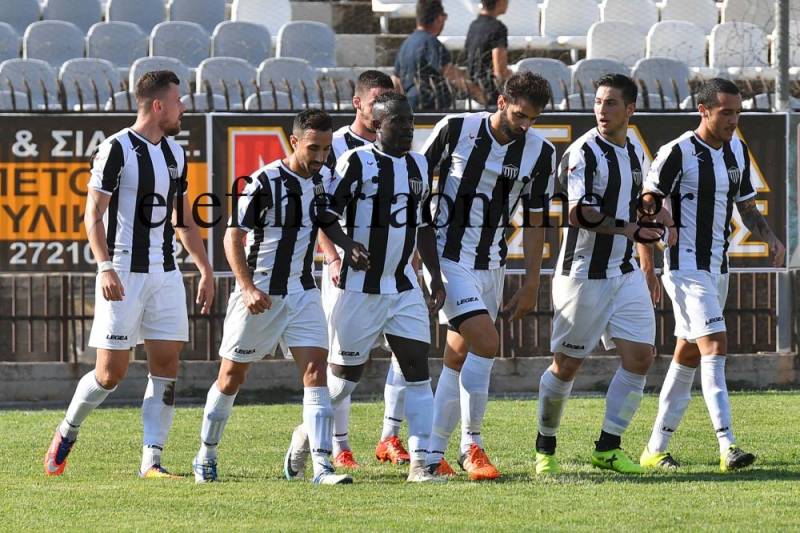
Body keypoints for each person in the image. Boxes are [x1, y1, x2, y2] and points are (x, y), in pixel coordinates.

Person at [44, 70, 215, 478]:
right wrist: (104, 267)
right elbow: (93, 214)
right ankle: (67, 431)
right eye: (177, 101)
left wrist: (205, 268)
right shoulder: (116, 149)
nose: (183, 108)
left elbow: (182, 218)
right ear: (158, 105)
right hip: (122, 270)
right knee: (110, 374)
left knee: (167, 366)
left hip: (165, 272)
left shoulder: (175, 154)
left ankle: (151, 460)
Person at [191, 109, 369, 485]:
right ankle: (206, 453)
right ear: (294, 142)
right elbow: (232, 237)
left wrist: (346, 243)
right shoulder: (264, 182)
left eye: (326, 149)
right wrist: (247, 287)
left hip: (302, 291)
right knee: (231, 377)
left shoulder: (325, 179)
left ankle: (322, 466)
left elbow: (325, 220)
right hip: (261, 292)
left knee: (316, 372)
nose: (320, 156)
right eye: (313, 148)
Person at [287, 92, 448, 482]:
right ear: (377, 125)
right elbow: (326, 213)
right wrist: (346, 246)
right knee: (341, 383)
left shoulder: (419, 164)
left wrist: (434, 275)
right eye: (399, 122)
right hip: (359, 289)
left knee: (418, 372)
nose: (408, 128)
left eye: (411, 121)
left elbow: (424, 226)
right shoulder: (356, 162)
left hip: (404, 287)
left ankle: (421, 464)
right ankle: (305, 435)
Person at [639, 78, 785, 472]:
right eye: (726, 113)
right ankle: (727, 444)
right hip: (684, 267)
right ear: (703, 111)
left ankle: (654, 449)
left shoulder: (737, 149)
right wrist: (648, 265)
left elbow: (747, 207)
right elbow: (646, 204)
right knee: (715, 346)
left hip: (718, 267)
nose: (733, 120)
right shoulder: (677, 152)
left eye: (737, 113)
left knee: (688, 354)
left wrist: (770, 238)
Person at [421, 71, 556, 480]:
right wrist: (414, 251)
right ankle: (471, 446)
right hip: (447, 257)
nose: (525, 125)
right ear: (501, 102)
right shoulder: (455, 129)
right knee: (486, 341)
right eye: (519, 115)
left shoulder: (541, 153)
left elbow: (535, 221)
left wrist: (532, 282)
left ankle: (431, 455)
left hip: (492, 264)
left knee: (457, 356)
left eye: (532, 118)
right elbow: (413, 184)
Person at [533, 74, 669, 476]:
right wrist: (630, 229)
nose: (601, 110)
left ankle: (608, 447)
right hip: (582, 273)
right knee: (566, 365)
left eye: (610, 103)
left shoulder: (634, 152)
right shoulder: (584, 152)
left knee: (641, 357)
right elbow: (579, 213)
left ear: (630, 109)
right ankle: (545, 447)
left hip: (624, 271)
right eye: (598, 102)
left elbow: (638, 210)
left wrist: (649, 257)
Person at [317, 70, 413, 470]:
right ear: (358, 103)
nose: (381, 109)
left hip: (394, 273)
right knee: (343, 361)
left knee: (408, 353)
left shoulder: (401, 147)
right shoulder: (337, 146)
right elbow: (321, 205)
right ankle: (338, 444)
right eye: (376, 101)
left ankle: (390, 435)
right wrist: (333, 257)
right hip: (346, 270)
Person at [393, 0, 476, 110]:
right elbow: (451, 73)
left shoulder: (406, 45)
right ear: (439, 18)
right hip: (431, 108)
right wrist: (478, 93)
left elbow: (396, 81)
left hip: (411, 107)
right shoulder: (431, 43)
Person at [465, 0, 512, 105]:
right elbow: (499, 72)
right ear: (500, 1)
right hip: (490, 94)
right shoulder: (498, 28)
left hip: (473, 92)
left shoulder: (473, 25)